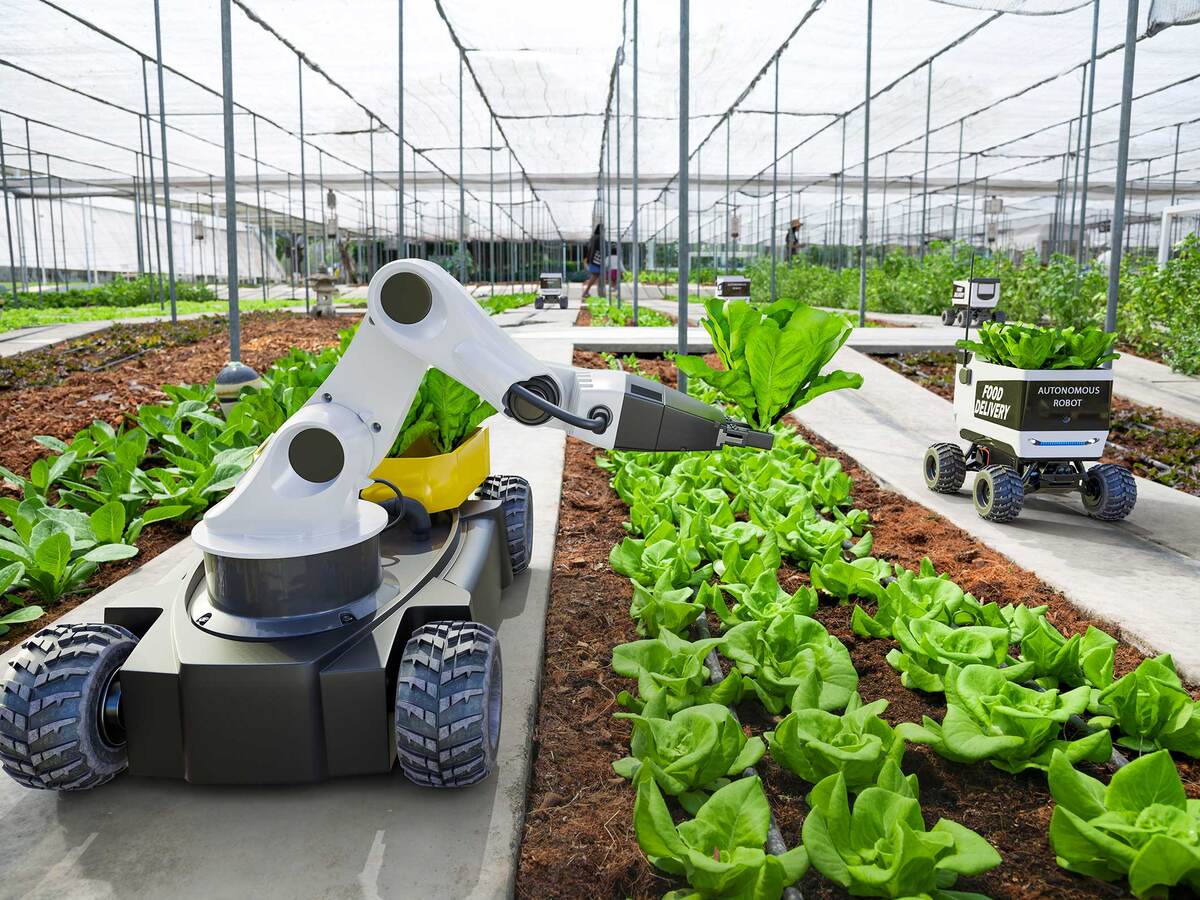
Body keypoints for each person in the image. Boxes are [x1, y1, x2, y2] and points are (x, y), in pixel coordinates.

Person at [582, 223, 604, 298]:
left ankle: (592, 292)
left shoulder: (593, 237)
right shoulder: (598, 238)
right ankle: (586, 292)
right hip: (596, 260)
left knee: (596, 276)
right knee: (595, 276)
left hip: (592, 259)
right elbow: (599, 249)